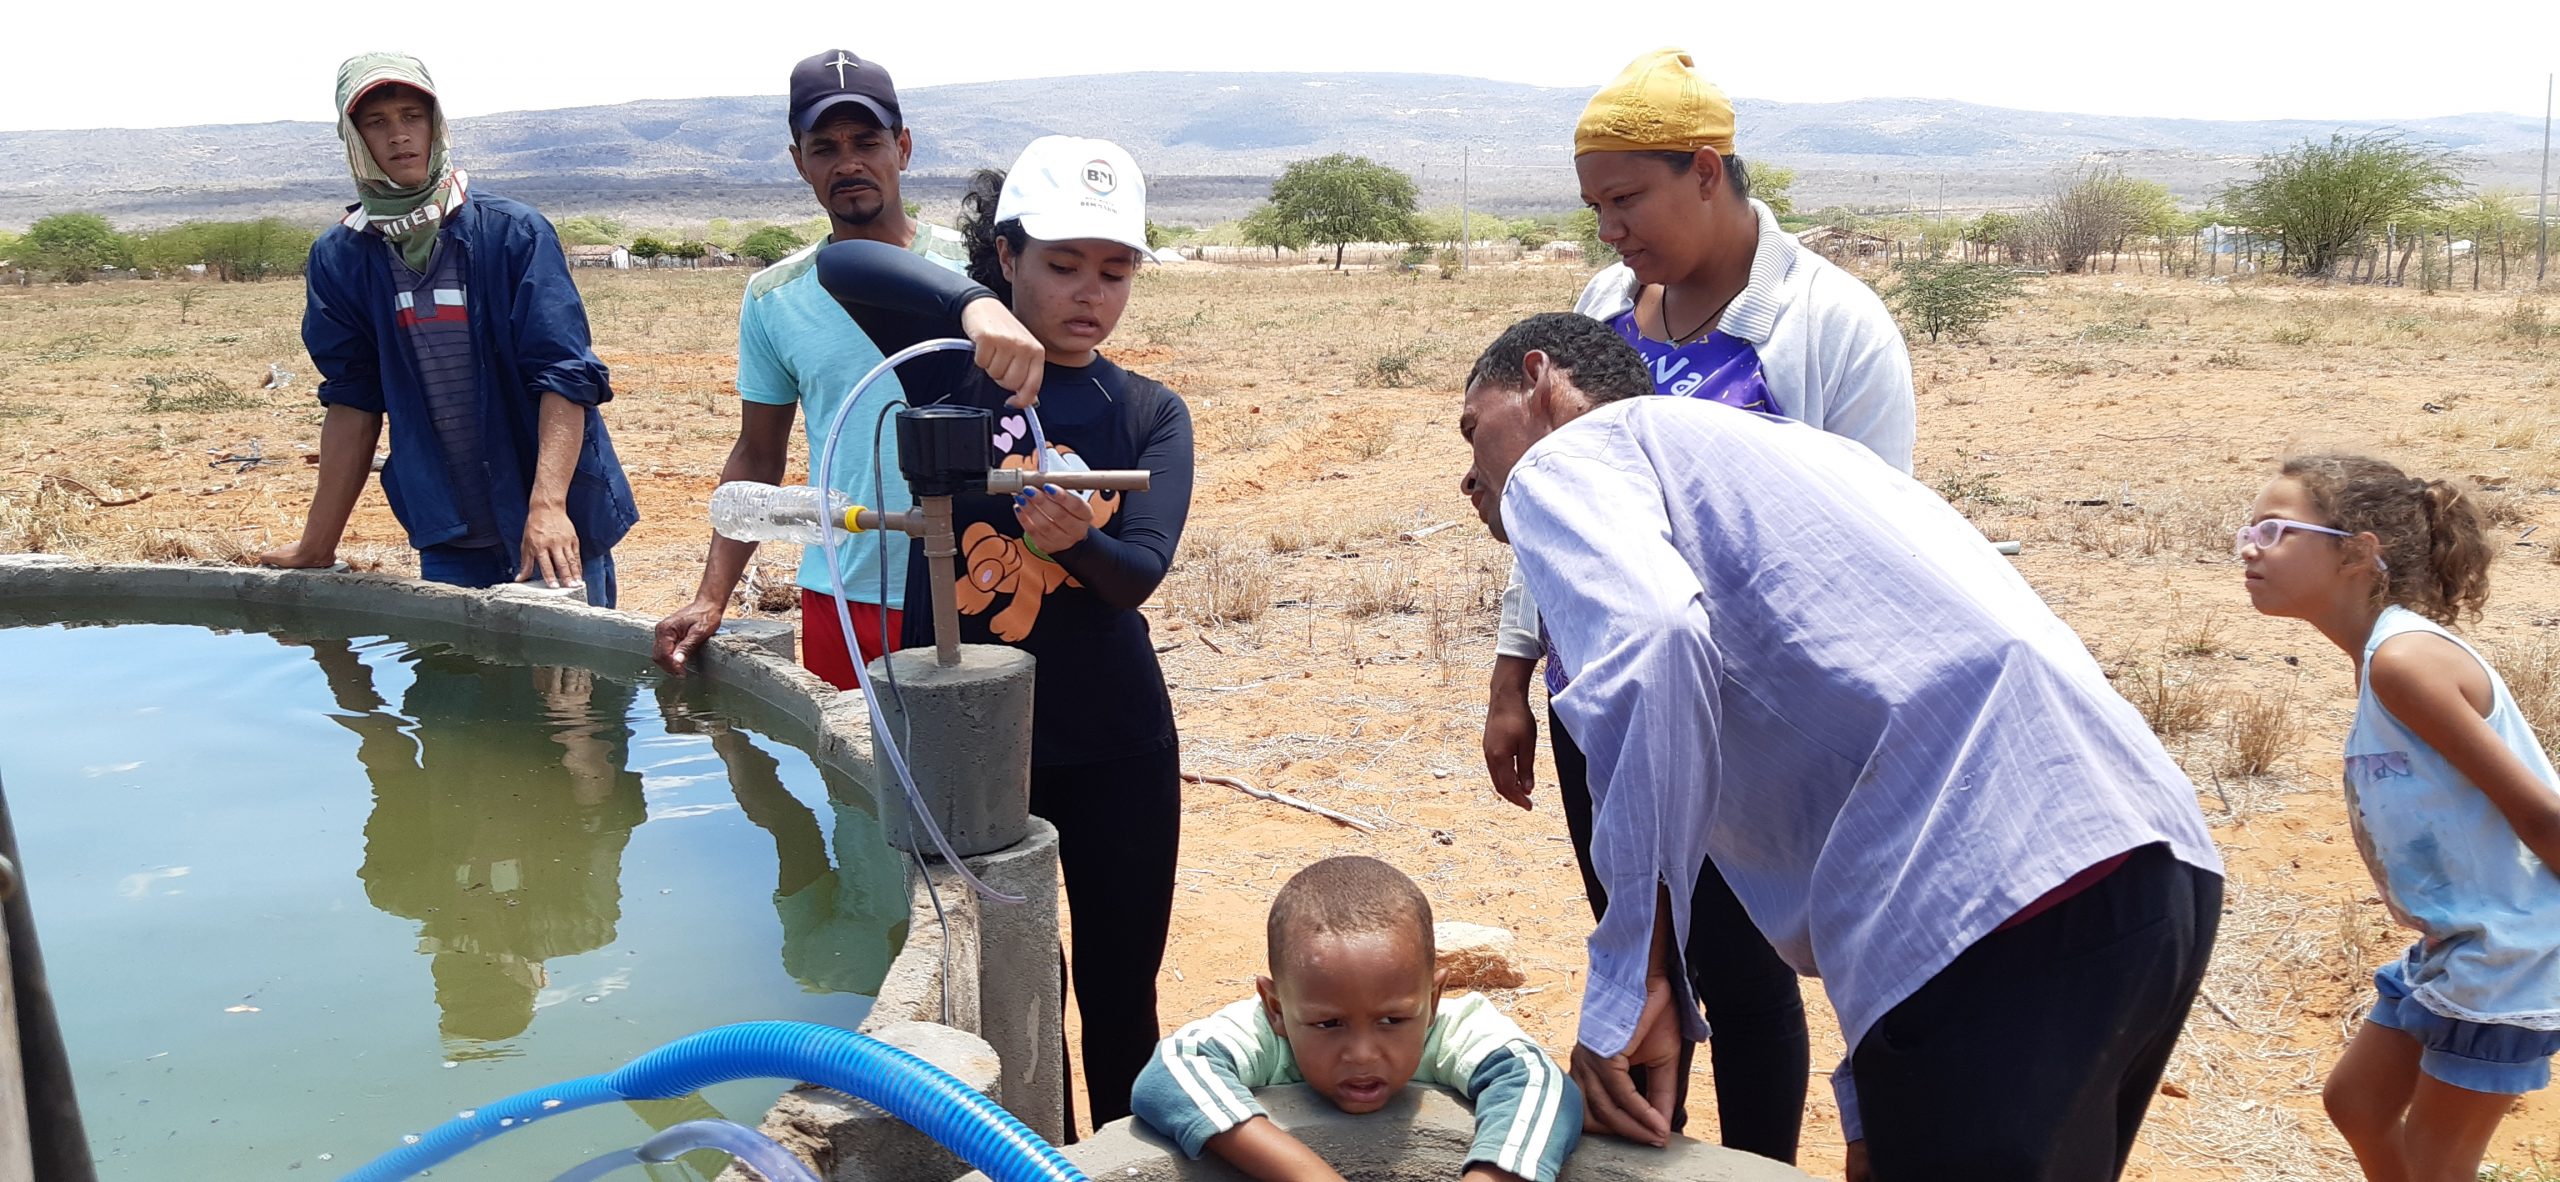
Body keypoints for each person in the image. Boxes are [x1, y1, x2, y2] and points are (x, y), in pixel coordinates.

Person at [1458, 313, 2222, 1181]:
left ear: (1540, 381)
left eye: (1473, 430)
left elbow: (1656, 642)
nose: (1470, 477)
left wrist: (1638, 968)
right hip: (2146, 868)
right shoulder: (1778, 452)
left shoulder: (1568, 455)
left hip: (1995, 898)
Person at [1480, 48, 1915, 1163]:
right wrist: (1512, 674)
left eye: (1628, 199)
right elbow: (1552, 502)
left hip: (1747, 733)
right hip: (1607, 707)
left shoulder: (1827, 325)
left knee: (1747, 973)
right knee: (1639, 948)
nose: (1611, 230)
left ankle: (1753, 1165)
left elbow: (1864, 545)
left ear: (1708, 171)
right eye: (1594, 208)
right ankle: (1644, 1155)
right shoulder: (1599, 312)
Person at [814, 135, 1194, 1131]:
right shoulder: (943, 372)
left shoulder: (1148, 411)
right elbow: (839, 260)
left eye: (1114, 271)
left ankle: (1123, 1154)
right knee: (1000, 995)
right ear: (1008, 255)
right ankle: (1034, 1154)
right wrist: (968, 310)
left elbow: (1137, 577)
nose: (1089, 294)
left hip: (1116, 741)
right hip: (964, 741)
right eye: (1061, 265)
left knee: (1120, 991)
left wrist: (1073, 543)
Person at [2234, 455, 2560, 1182]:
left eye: (2276, 529)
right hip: (2463, 940)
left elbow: (2542, 815)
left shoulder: (2404, 662)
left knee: (2441, 1164)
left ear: (2359, 551)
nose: (2250, 546)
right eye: (2248, 529)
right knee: (2356, 1103)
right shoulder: (2384, 656)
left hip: (2510, 953)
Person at [259, 52, 637, 606]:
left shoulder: (512, 233)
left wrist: (549, 507)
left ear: (437, 124)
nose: (399, 136)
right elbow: (352, 401)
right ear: (354, 138)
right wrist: (318, 544)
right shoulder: (341, 257)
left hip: (557, 523)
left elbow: (564, 374)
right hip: (449, 526)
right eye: (376, 123)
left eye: (413, 115)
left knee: (577, 688)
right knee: (464, 680)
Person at [654, 49, 972, 686]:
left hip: (983, 572)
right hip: (846, 588)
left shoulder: (979, 272)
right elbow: (758, 451)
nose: (849, 162)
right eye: (824, 146)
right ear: (800, 162)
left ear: (903, 148)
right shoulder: (776, 297)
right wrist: (712, 594)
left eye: (867, 141)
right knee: (853, 776)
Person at [1133, 856, 1582, 1182]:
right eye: (1329, 1025)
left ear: (1434, 997)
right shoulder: (1264, 1031)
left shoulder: (1453, 1028)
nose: (1363, 1053)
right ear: (1276, 1008)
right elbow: (1170, 1071)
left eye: (1392, 1020)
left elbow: (1541, 1083)